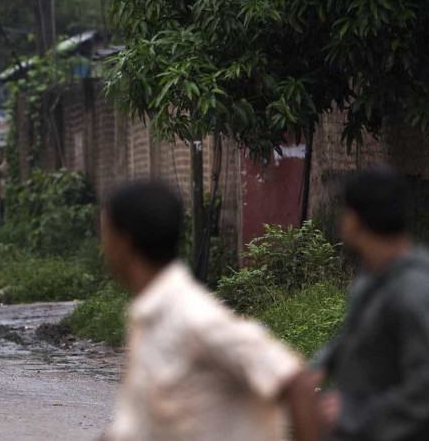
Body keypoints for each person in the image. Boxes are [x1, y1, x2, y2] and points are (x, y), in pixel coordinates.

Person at [100, 181, 319, 441]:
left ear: (123, 242)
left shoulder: (192, 317)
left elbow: (296, 383)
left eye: (105, 235)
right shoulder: (148, 319)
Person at [311, 168, 429, 441]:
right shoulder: (373, 275)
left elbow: (424, 391)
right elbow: (354, 333)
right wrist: (321, 366)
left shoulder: (414, 291)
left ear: (354, 221)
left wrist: (352, 415)